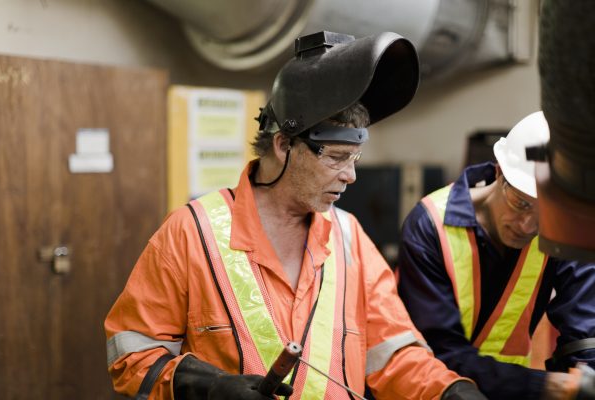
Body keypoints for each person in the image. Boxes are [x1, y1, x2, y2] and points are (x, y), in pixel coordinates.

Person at [104, 31, 487, 399]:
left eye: (354, 159)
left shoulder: (349, 237)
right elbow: (132, 357)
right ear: (284, 144)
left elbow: (393, 354)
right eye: (336, 157)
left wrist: (449, 390)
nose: (350, 176)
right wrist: (208, 387)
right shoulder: (191, 234)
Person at [397, 110, 595, 400]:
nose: (528, 226)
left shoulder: (563, 231)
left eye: (548, 215)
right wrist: (554, 386)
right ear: (499, 171)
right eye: (521, 203)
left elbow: (585, 332)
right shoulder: (429, 227)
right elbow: (441, 353)